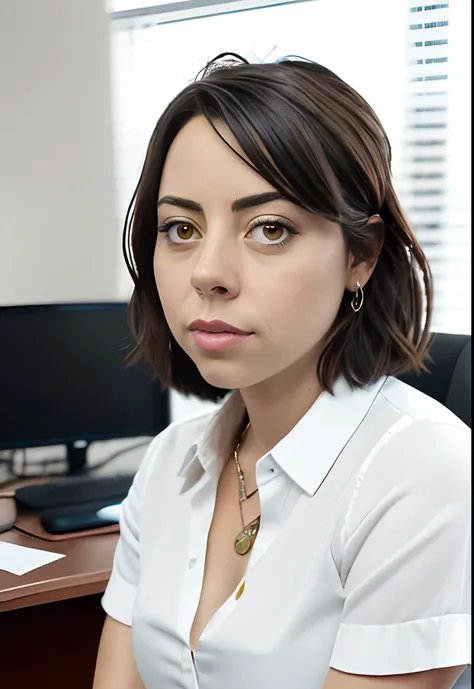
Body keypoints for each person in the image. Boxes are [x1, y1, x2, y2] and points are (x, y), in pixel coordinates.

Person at [93, 54, 471, 689]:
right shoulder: (168, 463)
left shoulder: (424, 474)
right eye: (180, 228)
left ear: (362, 255)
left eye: (269, 228)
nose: (207, 273)